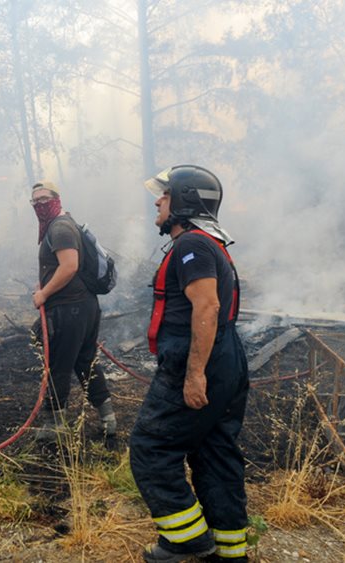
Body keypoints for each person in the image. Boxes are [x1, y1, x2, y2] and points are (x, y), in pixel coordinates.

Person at [130, 165, 250, 562]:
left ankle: (186, 538)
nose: (156, 202)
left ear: (183, 201)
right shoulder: (210, 243)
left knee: (151, 445)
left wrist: (194, 373)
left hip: (198, 357)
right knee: (215, 452)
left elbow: (207, 305)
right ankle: (229, 551)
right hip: (227, 356)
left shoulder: (191, 246)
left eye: (163, 196)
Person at [30, 180, 117, 439]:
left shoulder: (60, 228)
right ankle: (108, 418)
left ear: (57, 198)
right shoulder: (64, 224)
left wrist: (44, 293)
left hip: (71, 309)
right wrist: (43, 282)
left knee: (59, 363)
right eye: (35, 201)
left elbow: (69, 266)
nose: (39, 204)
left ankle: (54, 425)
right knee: (85, 361)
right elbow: (59, 265)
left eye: (44, 198)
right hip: (83, 306)